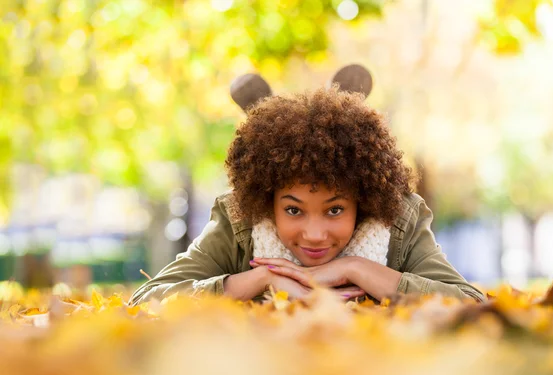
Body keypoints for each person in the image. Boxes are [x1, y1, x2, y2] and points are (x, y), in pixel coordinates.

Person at [129, 66, 484, 306]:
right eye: (294, 210)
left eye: (334, 210)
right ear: (268, 202)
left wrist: (357, 269)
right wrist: (261, 278)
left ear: (362, 200)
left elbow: (471, 304)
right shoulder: (240, 221)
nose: (314, 235)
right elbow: (147, 300)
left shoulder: (399, 220)